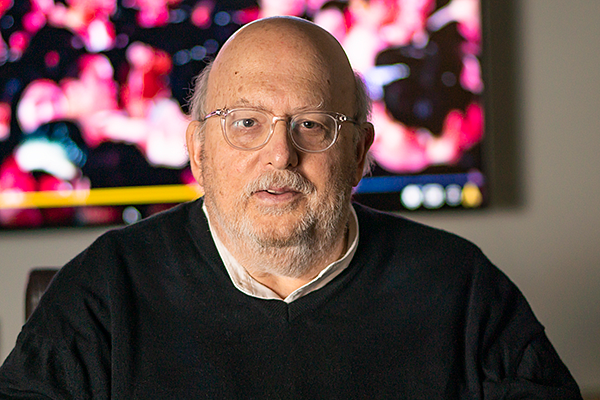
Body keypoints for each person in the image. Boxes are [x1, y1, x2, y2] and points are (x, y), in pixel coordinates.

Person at [0, 16, 582, 399]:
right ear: (198, 151)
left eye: (312, 124)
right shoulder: (103, 288)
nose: (281, 153)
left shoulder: (463, 286)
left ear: (358, 154)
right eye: (246, 123)